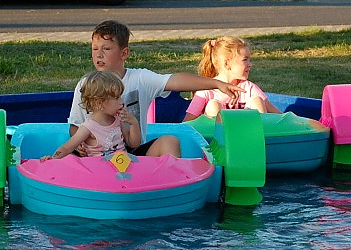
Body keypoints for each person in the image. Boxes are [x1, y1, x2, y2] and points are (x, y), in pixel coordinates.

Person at [68, 20, 244, 158]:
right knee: (67, 156)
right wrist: (80, 144)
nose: (99, 54)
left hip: (132, 155)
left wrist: (217, 84)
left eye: (106, 48)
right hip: (96, 156)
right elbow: (75, 124)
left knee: (170, 142)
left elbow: (176, 80)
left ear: (124, 53)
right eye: (95, 48)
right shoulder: (86, 84)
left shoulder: (140, 79)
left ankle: (169, 186)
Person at [43, 71, 140, 160]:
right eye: (116, 98)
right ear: (99, 103)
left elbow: (133, 144)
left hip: (120, 166)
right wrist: (53, 159)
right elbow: (68, 147)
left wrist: (133, 123)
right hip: (98, 169)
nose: (122, 102)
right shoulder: (89, 127)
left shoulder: (117, 119)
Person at [183, 36, 281, 121]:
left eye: (249, 60)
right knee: (213, 105)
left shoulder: (249, 88)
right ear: (227, 63)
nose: (250, 64)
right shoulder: (206, 91)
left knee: (257, 101)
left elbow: (278, 116)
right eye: (245, 60)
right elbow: (187, 123)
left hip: (248, 133)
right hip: (215, 135)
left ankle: (261, 134)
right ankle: (221, 133)